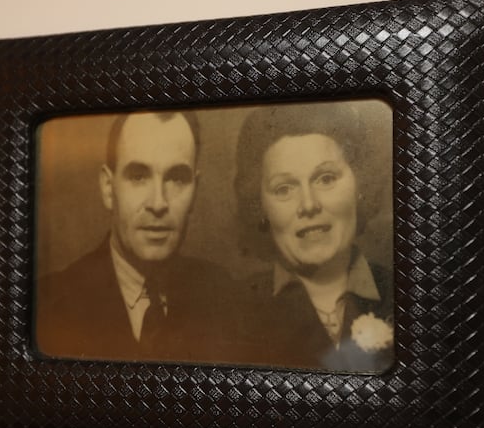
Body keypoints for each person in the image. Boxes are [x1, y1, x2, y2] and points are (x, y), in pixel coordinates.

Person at [35, 110, 238, 364]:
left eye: (176, 178)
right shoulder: (47, 306)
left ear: (195, 190)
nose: (158, 203)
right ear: (108, 189)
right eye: (139, 177)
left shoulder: (224, 297)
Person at [233, 102, 394, 373]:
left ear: (360, 185)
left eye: (326, 178)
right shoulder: (234, 311)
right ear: (260, 206)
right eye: (284, 188)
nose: (308, 205)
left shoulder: (407, 292)